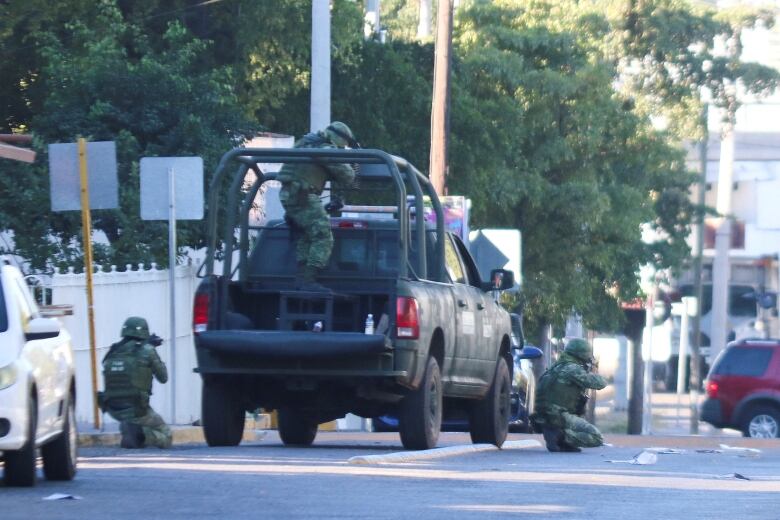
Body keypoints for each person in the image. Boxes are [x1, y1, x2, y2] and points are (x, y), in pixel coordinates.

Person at [277, 121, 358, 292]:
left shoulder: (305, 143)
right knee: (323, 236)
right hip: (302, 195)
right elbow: (348, 176)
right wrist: (354, 165)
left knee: (308, 236)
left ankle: (302, 278)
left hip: (291, 195)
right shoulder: (324, 149)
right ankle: (308, 281)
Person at [97, 317, 172, 449]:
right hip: (137, 409)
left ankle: (130, 429)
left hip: (113, 407)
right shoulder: (147, 350)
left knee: (136, 421)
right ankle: (138, 433)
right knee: (166, 436)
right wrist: (152, 350)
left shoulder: (113, 350)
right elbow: (163, 377)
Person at [531, 338, 607, 452]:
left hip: (543, 417)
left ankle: (559, 438)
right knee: (596, 437)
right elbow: (599, 383)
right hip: (559, 416)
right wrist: (594, 370)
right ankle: (560, 437)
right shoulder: (572, 369)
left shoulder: (555, 367)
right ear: (582, 354)